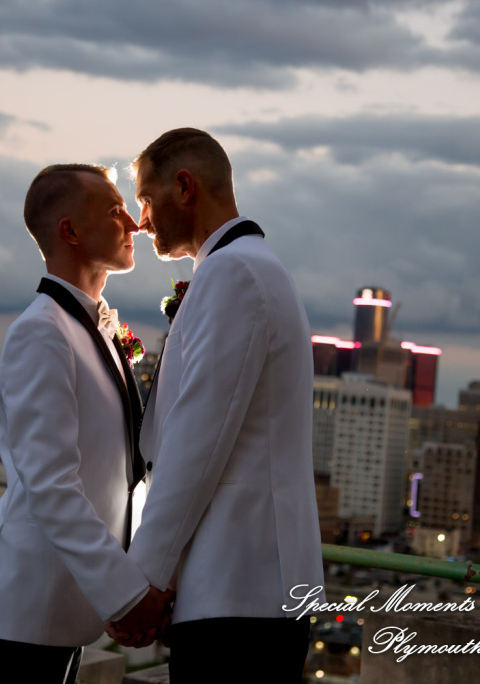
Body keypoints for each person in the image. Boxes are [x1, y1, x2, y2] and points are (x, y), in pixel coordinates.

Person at [110, 129, 325, 682]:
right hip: (248, 589)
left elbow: (195, 442)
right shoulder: (249, 268)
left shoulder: (233, 274)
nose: (141, 220)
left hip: (239, 591)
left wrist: (145, 579)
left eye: (146, 198)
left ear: (185, 187)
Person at [0, 164, 171, 683]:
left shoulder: (88, 327)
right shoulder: (41, 332)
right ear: (70, 231)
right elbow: (51, 486)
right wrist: (125, 591)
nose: (134, 224)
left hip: (60, 614)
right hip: (19, 615)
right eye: (115, 211)